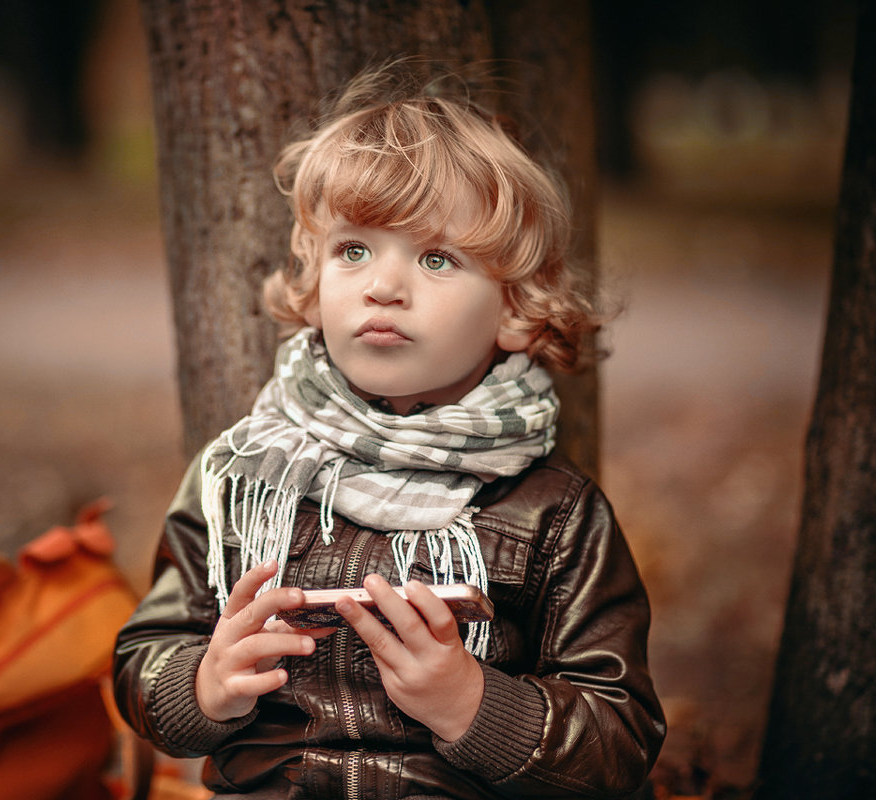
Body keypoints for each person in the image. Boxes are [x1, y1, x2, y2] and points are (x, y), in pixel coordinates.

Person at [113, 67, 666, 800]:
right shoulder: (242, 475)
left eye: (436, 259)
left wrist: (473, 704)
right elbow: (143, 657)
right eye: (354, 250)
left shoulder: (554, 513)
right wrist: (204, 683)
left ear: (515, 310)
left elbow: (617, 742)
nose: (384, 285)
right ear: (312, 290)